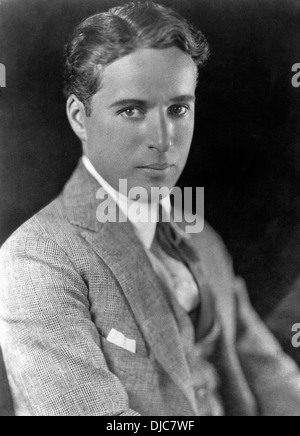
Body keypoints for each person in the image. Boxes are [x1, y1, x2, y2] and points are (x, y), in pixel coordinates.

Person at [0, 1, 300, 416]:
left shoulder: (196, 231)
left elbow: (265, 369)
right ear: (78, 117)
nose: (163, 139)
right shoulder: (35, 258)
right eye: (131, 110)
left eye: (178, 109)